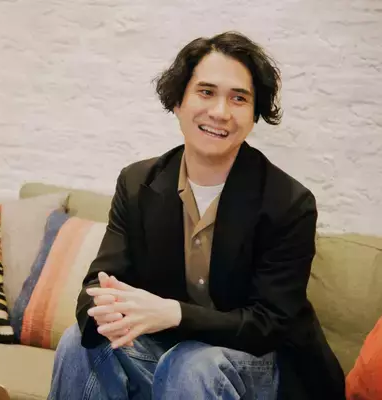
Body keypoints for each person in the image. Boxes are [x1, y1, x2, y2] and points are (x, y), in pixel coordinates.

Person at [48, 31, 346, 400]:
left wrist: (174, 313)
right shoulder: (138, 184)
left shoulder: (289, 203)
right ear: (178, 101)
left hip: (263, 364)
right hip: (172, 353)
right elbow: (98, 285)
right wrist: (106, 308)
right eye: (206, 92)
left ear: (254, 115)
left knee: (193, 364)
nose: (220, 112)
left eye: (239, 98)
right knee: (81, 341)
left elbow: (270, 324)